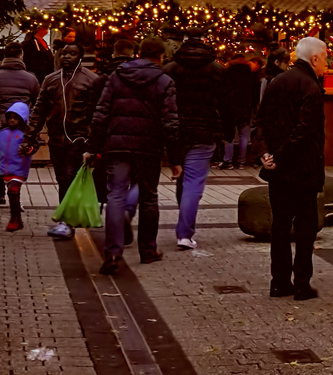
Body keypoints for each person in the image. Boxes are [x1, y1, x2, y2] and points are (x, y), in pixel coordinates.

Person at [89, 38, 179, 274]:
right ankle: (148, 250)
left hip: (117, 145)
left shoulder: (116, 77)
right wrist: (176, 159)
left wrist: (93, 145)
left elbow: (101, 112)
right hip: (149, 147)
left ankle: (112, 252)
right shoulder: (164, 81)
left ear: (138, 53)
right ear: (161, 56)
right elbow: (170, 122)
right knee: (149, 197)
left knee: (116, 196)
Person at [256, 37, 328, 301]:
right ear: (315, 59)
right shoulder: (311, 86)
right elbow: (305, 130)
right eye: (326, 58)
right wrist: (279, 155)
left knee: (281, 226)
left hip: (278, 171)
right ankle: (301, 284)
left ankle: (279, 282)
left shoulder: (276, 82)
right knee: (305, 228)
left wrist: (266, 154)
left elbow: (259, 120)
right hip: (303, 168)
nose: (328, 65)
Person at [30, 41, 102, 238]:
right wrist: (31, 135)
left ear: (79, 57)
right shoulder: (50, 79)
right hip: (56, 139)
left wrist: (93, 140)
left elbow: (98, 112)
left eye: (72, 54)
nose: (67, 57)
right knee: (62, 179)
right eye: (64, 53)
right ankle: (68, 217)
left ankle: (66, 222)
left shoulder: (91, 80)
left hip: (78, 140)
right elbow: (39, 109)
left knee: (70, 177)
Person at [164, 35, 229, 250]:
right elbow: (226, 101)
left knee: (182, 177)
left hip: (176, 129)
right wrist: (225, 131)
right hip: (205, 130)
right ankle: (184, 233)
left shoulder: (171, 69)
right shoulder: (217, 69)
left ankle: (182, 219)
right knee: (194, 181)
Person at [0, 44, 40, 206]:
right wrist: (34, 128)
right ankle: (15, 188)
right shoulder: (31, 78)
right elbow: (38, 105)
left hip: (0, 128)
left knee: (0, 160)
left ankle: (0, 194)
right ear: (21, 56)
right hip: (22, 128)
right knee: (20, 159)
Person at [0, 102, 35, 231]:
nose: (12, 120)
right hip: (5, 169)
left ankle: (15, 219)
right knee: (13, 193)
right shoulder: (3, 132)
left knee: (12, 190)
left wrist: (28, 149)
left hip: (20, 168)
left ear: (23, 119)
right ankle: (17, 219)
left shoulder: (25, 134)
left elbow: (34, 145)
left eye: (16, 118)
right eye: (10, 117)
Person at [218, 52, 261, 170]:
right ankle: (242, 161)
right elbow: (255, 94)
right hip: (245, 108)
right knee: (244, 135)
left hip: (230, 108)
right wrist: (253, 107)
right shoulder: (251, 75)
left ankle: (228, 161)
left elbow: (222, 92)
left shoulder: (228, 73)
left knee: (229, 135)